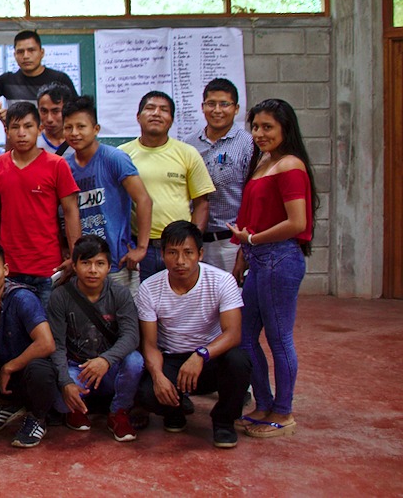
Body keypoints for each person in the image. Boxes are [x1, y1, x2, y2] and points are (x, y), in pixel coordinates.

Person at [228, 99, 318, 439]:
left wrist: (252, 240)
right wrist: (243, 254)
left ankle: (284, 410)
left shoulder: (291, 165)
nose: (260, 133)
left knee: (279, 339)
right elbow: (250, 215)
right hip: (257, 258)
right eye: (255, 127)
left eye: (268, 127)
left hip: (280, 258)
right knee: (245, 337)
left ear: (285, 129)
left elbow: (297, 222)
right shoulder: (264, 161)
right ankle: (263, 404)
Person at [134, 221, 251, 448]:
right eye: (172, 253)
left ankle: (224, 422)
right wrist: (158, 377)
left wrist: (201, 355)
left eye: (188, 253)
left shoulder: (221, 280)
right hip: (172, 359)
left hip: (209, 359)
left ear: (200, 253)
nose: (180, 261)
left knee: (240, 361)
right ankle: (175, 411)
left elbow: (234, 333)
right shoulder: (149, 288)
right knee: (147, 392)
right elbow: (149, 344)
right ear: (163, 254)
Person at [23, 235, 143, 445]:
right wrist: (66, 382)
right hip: (77, 367)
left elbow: (131, 335)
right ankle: (76, 409)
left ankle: (118, 412)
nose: (93, 270)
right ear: (75, 266)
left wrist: (105, 360)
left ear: (109, 266)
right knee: (61, 403)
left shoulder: (120, 294)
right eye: (86, 263)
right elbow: (57, 345)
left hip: (110, 367)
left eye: (99, 263)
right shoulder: (60, 296)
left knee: (135, 361)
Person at [0, 102, 80, 308]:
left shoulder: (56, 165)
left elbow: (71, 211)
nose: (22, 133)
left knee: (47, 331)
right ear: (6, 131)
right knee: (14, 330)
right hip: (8, 266)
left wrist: (75, 255)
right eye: (15, 127)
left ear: (39, 129)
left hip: (48, 266)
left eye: (28, 126)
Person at [0, 241, 55, 448]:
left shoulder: (23, 298)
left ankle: (37, 418)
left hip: (22, 371)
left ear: (5, 270)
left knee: (40, 370)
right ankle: (4, 405)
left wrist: (10, 367)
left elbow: (46, 343)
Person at [120, 91, 215, 281]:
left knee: (180, 304)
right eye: (150, 108)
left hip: (177, 250)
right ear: (138, 117)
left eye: (164, 110)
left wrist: (190, 245)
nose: (156, 113)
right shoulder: (122, 155)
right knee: (143, 306)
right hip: (138, 249)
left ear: (171, 120)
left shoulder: (187, 153)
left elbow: (201, 203)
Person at [62, 95, 152, 286]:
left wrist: (142, 248)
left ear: (96, 129)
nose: (74, 133)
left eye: (81, 126)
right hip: (84, 265)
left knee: (124, 315)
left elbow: (144, 199)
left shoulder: (115, 158)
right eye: (68, 127)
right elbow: (69, 214)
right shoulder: (64, 167)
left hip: (117, 262)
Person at [182, 78, 254, 272]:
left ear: (236, 108)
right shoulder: (188, 144)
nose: (217, 110)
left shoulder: (248, 145)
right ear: (203, 106)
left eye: (224, 104)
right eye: (211, 104)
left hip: (230, 242)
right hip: (195, 241)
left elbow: (253, 197)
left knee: (232, 299)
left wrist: (244, 247)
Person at [0, 30, 77, 109]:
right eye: (20, 52)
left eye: (31, 50)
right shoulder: (6, 81)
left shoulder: (59, 80)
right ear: (15, 55)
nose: (26, 56)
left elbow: (76, 110)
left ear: (42, 53)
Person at [35, 83, 76, 154]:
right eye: (44, 111)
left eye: (55, 111)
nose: (49, 119)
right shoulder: (32, 144)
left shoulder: (78, 143)